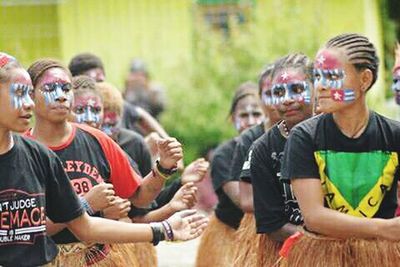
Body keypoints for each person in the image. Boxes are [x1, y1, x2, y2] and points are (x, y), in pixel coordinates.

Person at [0, 52, 208, 267]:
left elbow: (131, 202)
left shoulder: (66, 148)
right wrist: (88, 204)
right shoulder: (27, 153)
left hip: (96, 256)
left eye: (66, 88)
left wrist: (162, 169)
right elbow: (40, 227)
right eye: (49, 89)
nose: (61, 96)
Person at [282, 33, 400, 266]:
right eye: (317, 76)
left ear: (364, 79)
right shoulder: (304, 137)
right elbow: (314, 217)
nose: (321, 86)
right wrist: (384, 228)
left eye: (333, 76)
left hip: (383, 257)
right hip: (322, 257)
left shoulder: (395, 136)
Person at [238, 53, 313, 267]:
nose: (287, 99)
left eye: (297, 90)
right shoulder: (262, 149)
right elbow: (272, 225)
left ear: (316, 87)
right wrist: (318, 243)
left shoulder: (336, 136)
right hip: (287, 253)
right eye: (278, 92)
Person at [196, 81, 265, 267]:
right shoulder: (222, 155)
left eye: (256, 114)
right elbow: (242, 200)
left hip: (267, 234)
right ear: (232, 119)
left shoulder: (278, 146)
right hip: (229, 233)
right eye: (244, 115)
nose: (250, 121)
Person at [68, 53, 169, 138]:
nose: (100, 86)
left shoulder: (113, 103)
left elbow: (140, 114)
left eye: (101, 81)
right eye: (93, 82)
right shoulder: (67, 111)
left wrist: (168, 142)